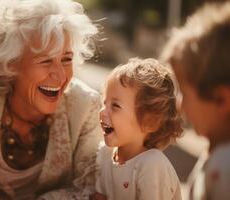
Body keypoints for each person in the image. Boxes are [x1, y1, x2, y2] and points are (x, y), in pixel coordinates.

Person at [0, 0, 102, 199]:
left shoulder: (86, 105)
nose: (61, 77)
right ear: (10, 63)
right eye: (45, 60)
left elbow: (90, 189)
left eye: (66, 59)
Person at [161, 2, 230, 200]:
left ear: (221, 100)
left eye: (184, 93)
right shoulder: (216, 151)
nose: (179, 105)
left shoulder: (224, 168)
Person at [91, 58, 183, 200]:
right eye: (105, 103)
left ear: (150, 122)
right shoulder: (104, 154)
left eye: (115, 106)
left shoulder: (152, 166)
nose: (102, 112)